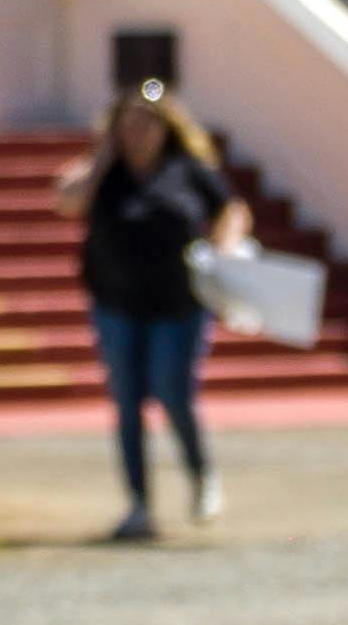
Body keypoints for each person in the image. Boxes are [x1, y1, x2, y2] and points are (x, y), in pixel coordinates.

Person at [79, 75, 240, 541]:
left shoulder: (187, 169)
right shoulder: (106, 171)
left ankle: (201, 474)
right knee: (127, 404)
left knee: (173, 393)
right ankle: (139, 506)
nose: (138, 133)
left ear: (166, 127)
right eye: (128, 124)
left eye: (147, 124)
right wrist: (100, 160)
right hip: (117, 302)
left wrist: (223, 248)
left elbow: (230, 209)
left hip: (178, 302)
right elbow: (67, 202)